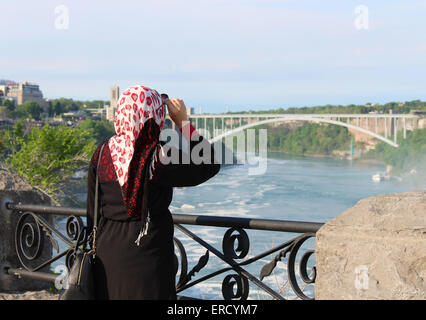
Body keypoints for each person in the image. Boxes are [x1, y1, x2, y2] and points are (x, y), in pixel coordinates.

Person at [86, 85, 220, 299]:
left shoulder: (102, 153)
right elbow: (209, 164)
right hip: (148, 256)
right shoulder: (160, 156)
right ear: (153, 116)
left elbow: (93, 212)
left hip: (107, 256)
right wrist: (184, 124)